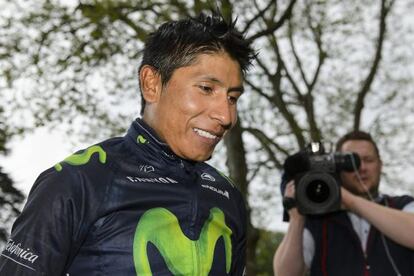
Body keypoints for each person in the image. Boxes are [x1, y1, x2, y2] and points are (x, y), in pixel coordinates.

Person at [0, 10, 255, 275]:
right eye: (206, 89)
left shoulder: (228, 197)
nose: (226, 116)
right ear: (151, 84)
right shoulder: (76, 182)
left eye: (232, 98)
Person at [273, 131, 414, 276]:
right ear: (337, 168)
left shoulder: (402, 205)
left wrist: (348, 200)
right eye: (351, 162)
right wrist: (297, 217)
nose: (361, 168)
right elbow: (285, 273)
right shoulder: (318, 220)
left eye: (368, 160)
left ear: (380, 165)